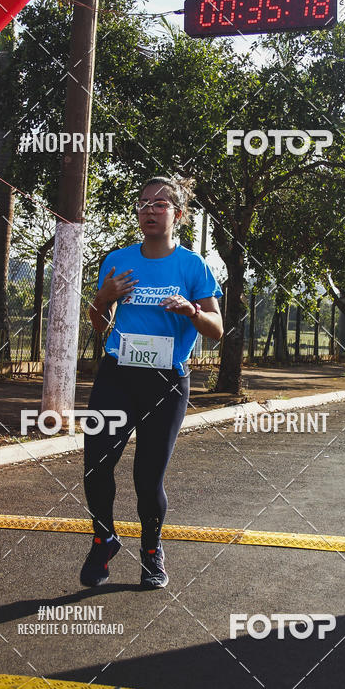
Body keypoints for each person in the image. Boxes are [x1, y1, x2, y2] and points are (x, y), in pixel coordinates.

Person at [80, 176, 224, 589]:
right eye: (143, 204)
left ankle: (150, 549)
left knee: (147, 477)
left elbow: (216, 329)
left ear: (177, 214)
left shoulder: (193, 265)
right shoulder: (118, 260)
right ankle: (104, 538)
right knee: (96, 466)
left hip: (165, 383)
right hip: (117, 375)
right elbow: (100, 324)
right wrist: (103, 297)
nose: (149, 210)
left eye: (160, 204)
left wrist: (191, 310)